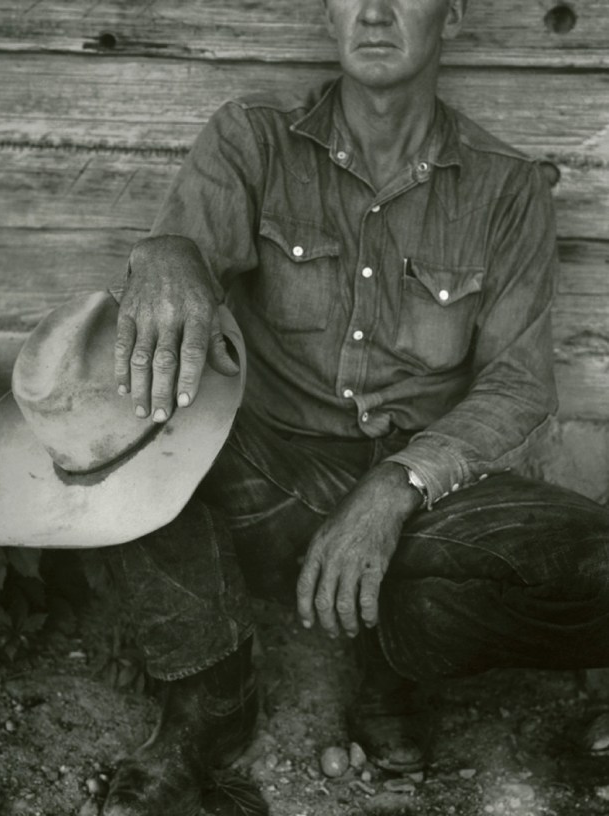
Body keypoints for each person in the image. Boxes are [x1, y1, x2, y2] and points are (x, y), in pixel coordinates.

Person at [99, 0, 609, 813]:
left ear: (457, 13)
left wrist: (397, 486)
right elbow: (183, 253)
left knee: (591, 562)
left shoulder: (507, 188)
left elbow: (519, 385)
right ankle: (209, 700)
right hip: (268, 476)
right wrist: (165, 253)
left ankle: (396, 663)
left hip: (421, 502)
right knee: (116, 428)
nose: (373, 11)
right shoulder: (254, 138)